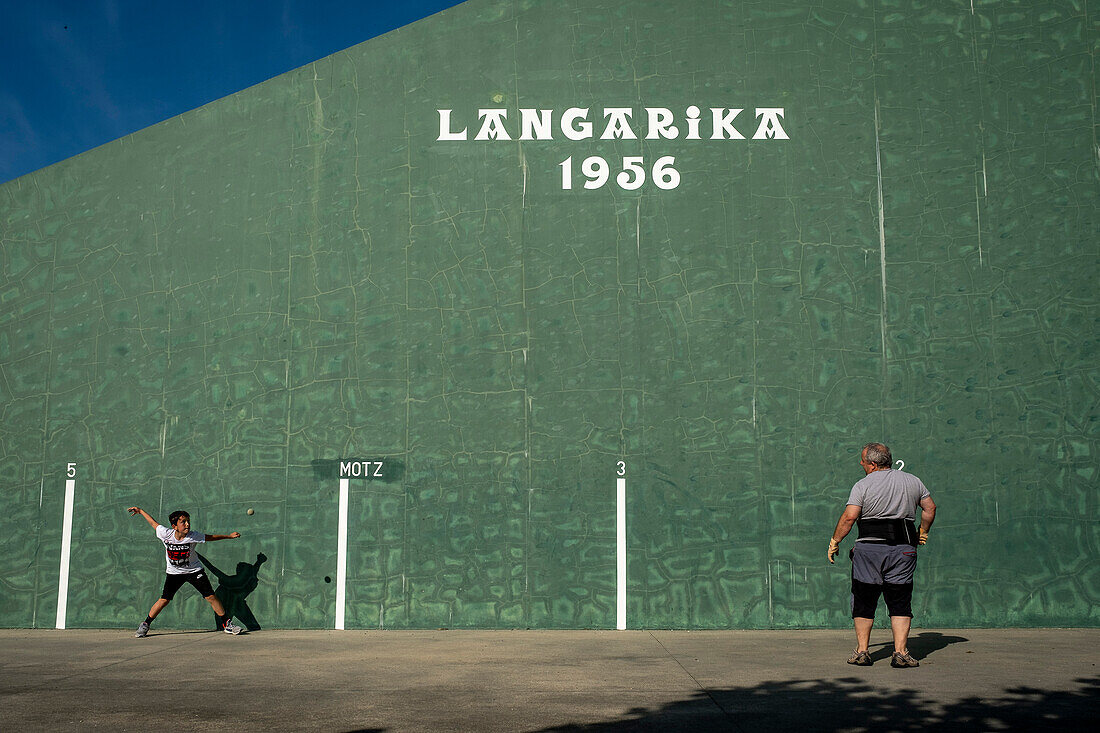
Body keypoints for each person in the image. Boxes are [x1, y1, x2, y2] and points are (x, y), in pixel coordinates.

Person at [827, 443, 936, 668]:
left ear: (873, 465)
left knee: (864, 598)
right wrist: (922, 532)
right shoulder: (913, 481)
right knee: (900, 600)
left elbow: (849, 518)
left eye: (863, 461)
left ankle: (862, 652)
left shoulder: (862, 485)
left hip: (869, 551)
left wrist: (834, 541)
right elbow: (930, 508)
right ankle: (901, 653)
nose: (861, 464)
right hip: (903, 550)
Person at [127, 507, 245, 637]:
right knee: (164, 600)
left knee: (211, 597)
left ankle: (227, 624)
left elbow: (211, 537)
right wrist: (140, 511)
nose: (187, 524)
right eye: (183, 522)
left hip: (194, 571)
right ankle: (145, 625)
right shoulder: (165, 533)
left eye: (188, 521)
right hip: (174, 573)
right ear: (174, 526)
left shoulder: (193, 536)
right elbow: (153, 523)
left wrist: (229, 536)